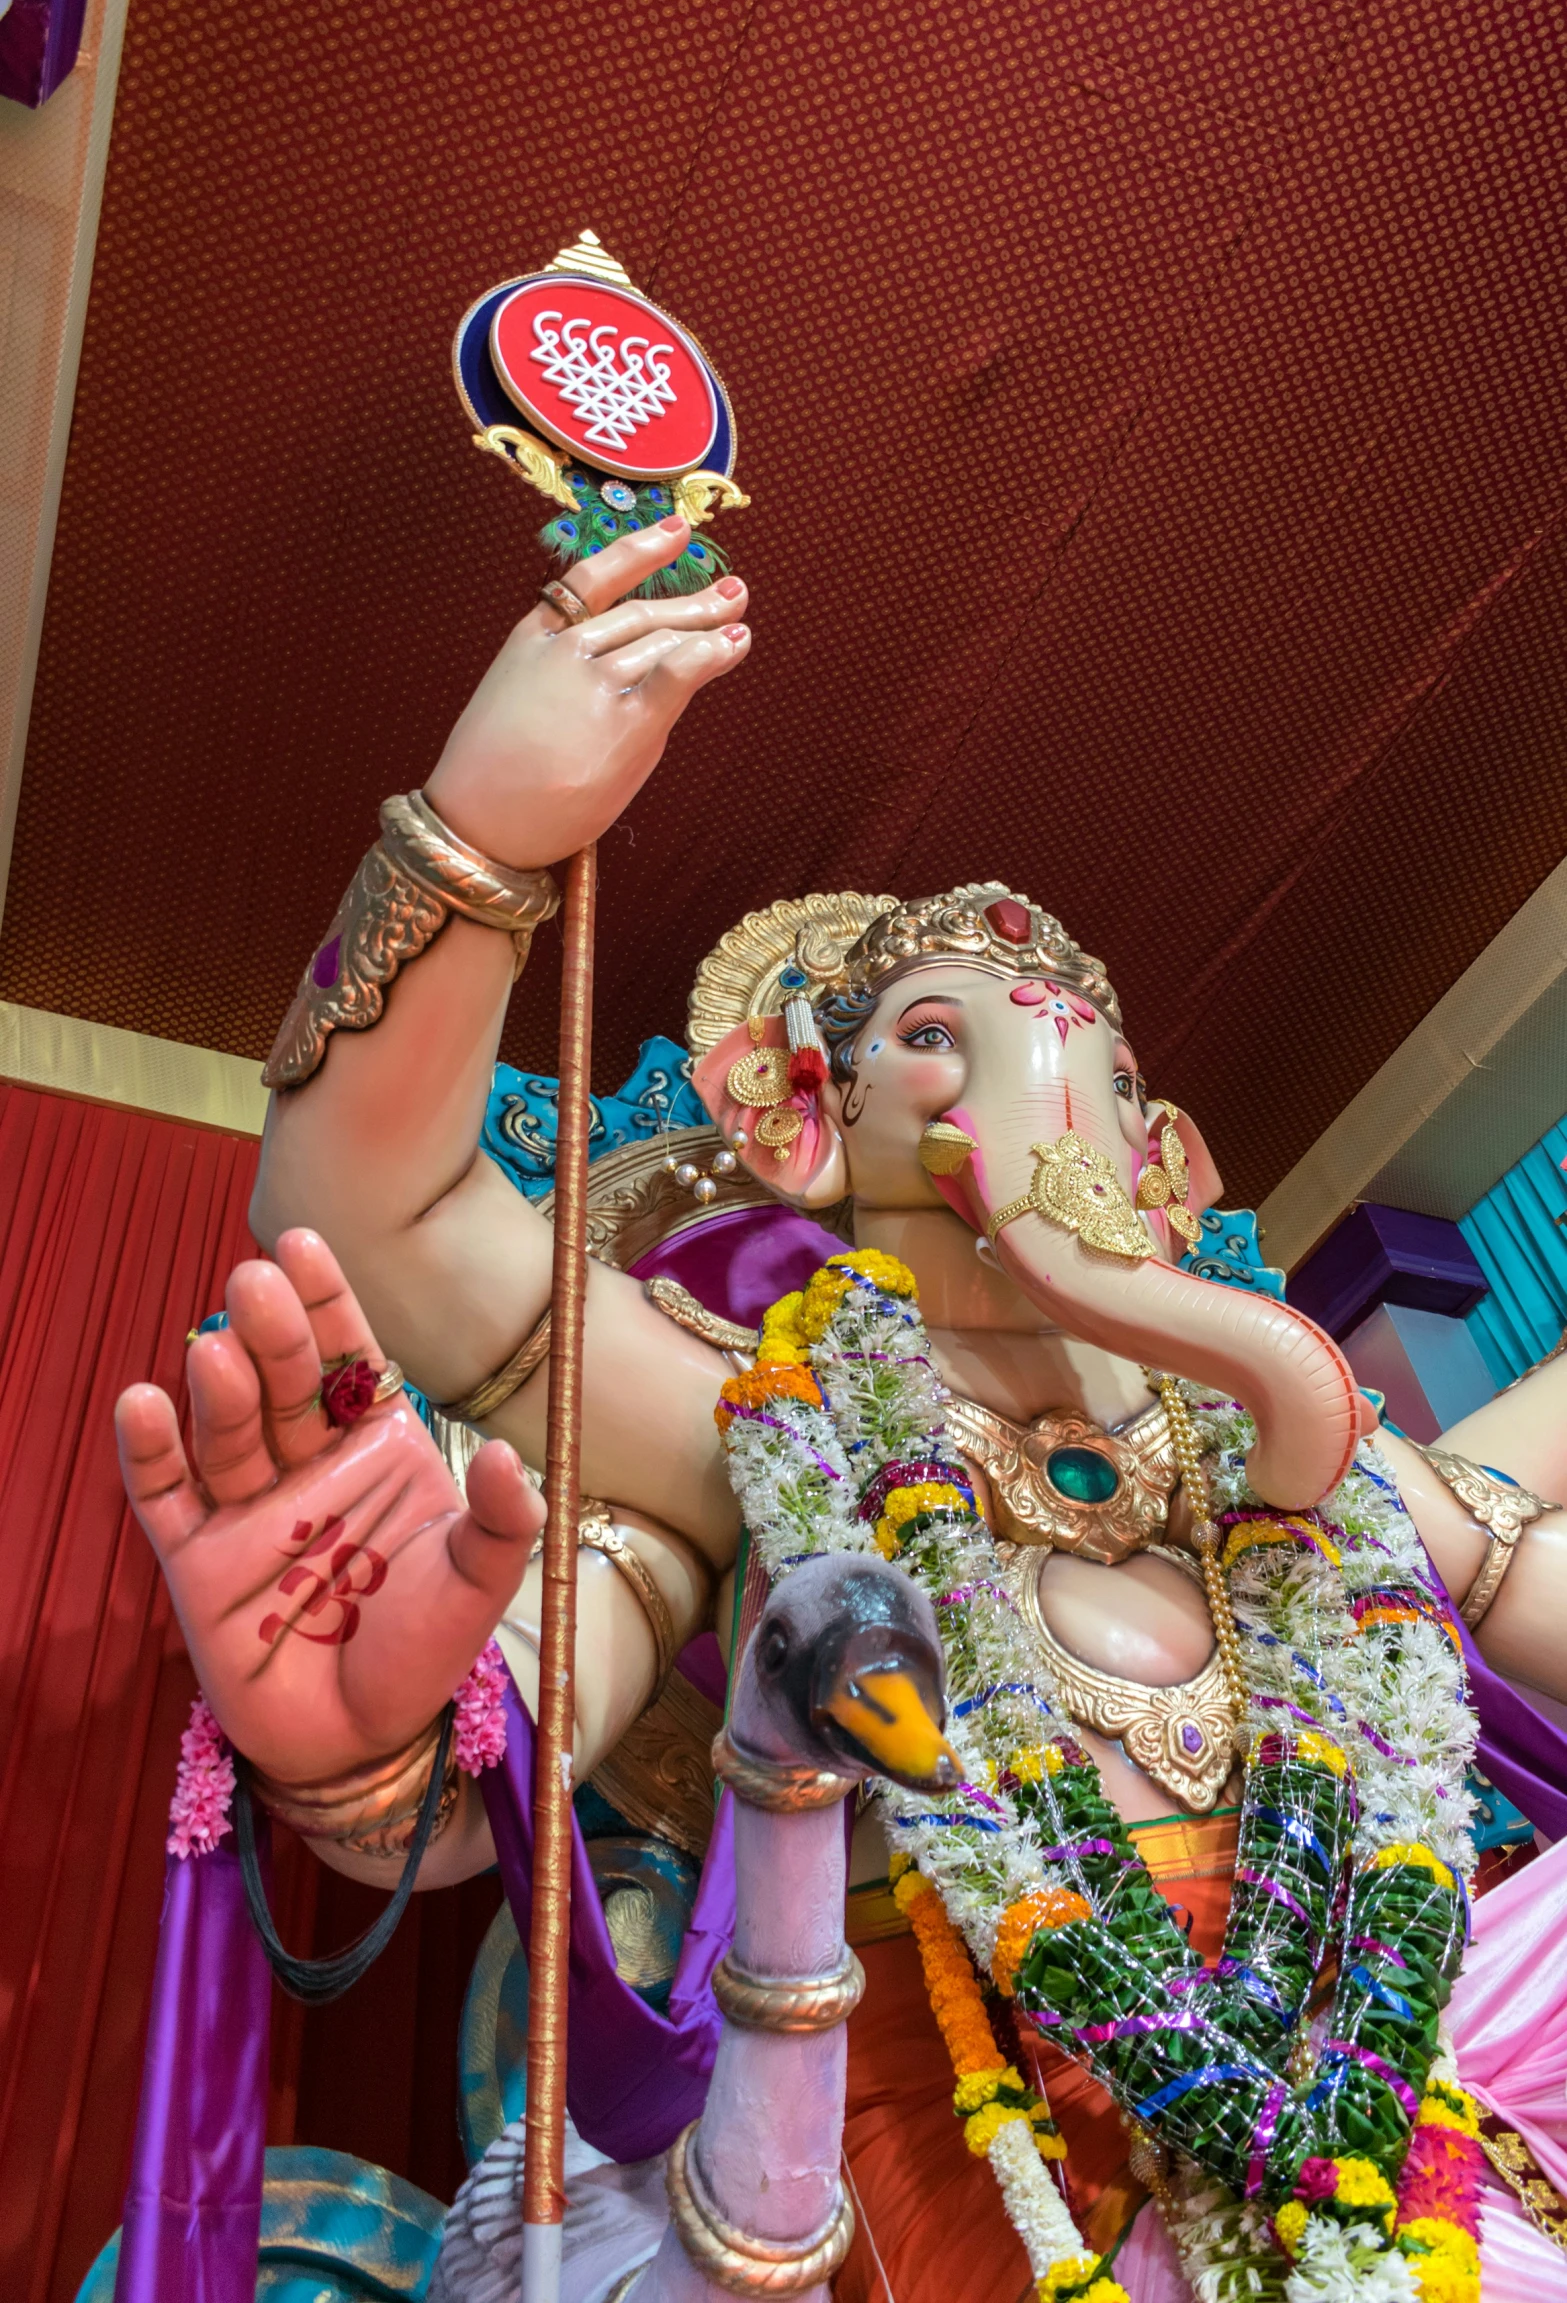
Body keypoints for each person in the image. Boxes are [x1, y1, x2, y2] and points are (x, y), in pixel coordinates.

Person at [118, 516, 1567, 2298]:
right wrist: (478, 835)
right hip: (927, 2150)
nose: (1041, 1101)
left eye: (1099, 1073)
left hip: (1365, 2147)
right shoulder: (768, 1419)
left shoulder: (1263, 1465)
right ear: (798, 1111)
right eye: (940, 1039)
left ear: (1167, 1166)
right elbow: (384, 1205)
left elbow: (1509, 1589)